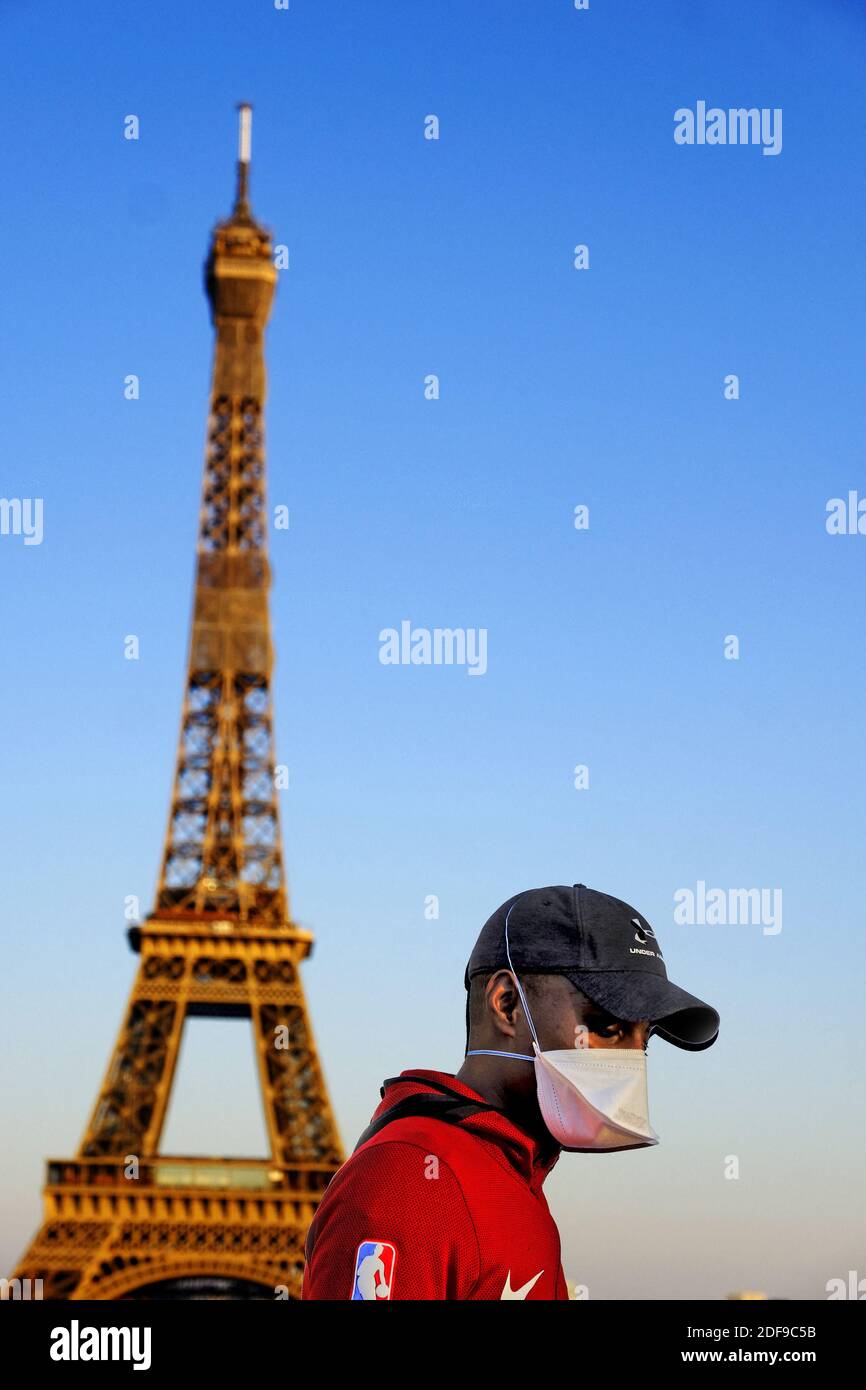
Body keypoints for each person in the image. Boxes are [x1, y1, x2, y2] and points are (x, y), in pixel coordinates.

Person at [302, 884, 720, 1300]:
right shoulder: (409, 1180)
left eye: (644, 1039)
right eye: (607, 1026)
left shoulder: (511, 1173)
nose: (632, 1059)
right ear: (507, 1004)